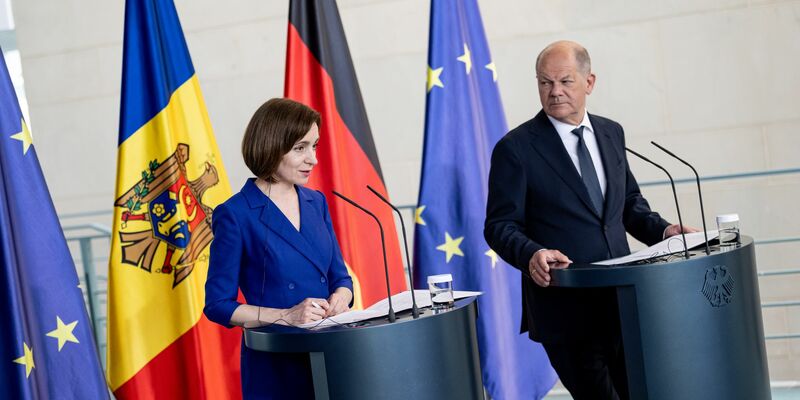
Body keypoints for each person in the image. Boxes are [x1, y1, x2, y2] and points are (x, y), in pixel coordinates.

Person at [484, 41, 697, 400]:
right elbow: (499, 225)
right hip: (567, 309)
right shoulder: (516, 148)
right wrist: (531, 253)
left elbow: (628, 203)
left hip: (625, 303)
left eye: (565, 81)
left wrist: (663, 231)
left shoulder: (611, 132)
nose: (554, 92)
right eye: (545, 83)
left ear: (589, 82)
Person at [204, 98, 353, 399]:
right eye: (300, 148)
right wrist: (286, 315)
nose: (313, 159)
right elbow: (217, 304)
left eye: (315, 146)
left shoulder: (316, 202)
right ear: (271, 146)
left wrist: (341, 298)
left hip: (331, 352)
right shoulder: (235, 213)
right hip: (277, 363)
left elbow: (340, 277)